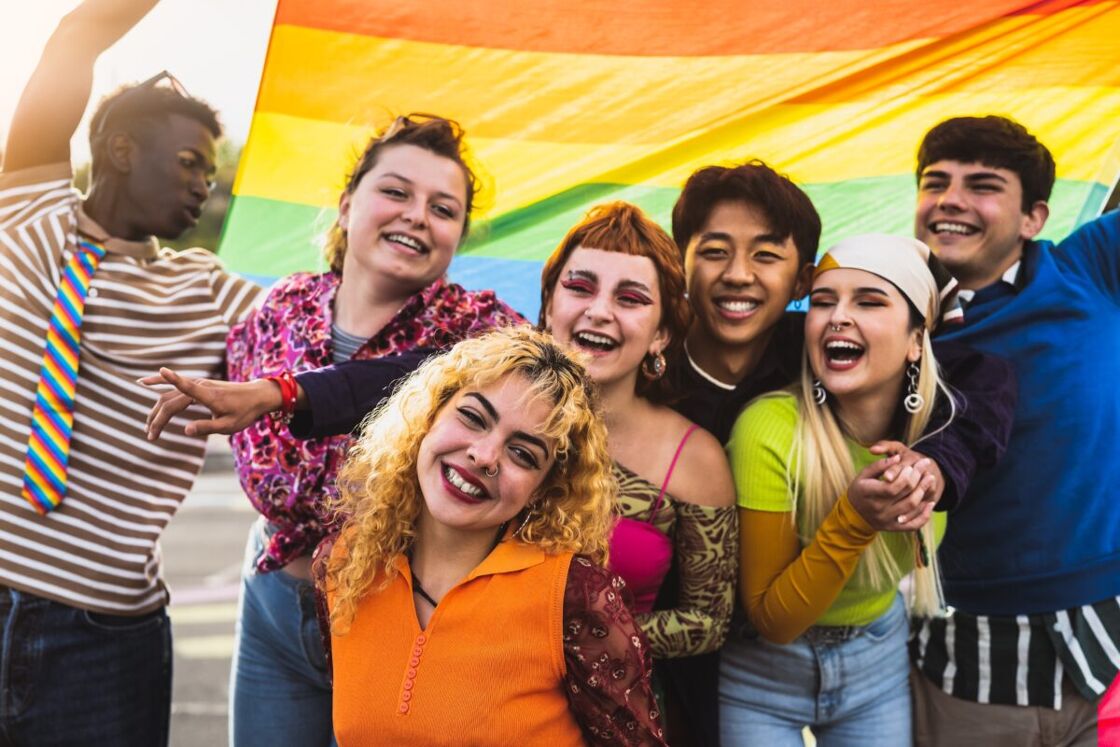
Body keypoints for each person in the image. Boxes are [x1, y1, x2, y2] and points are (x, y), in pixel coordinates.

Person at [0, 1, 263, 744]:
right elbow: (75, 37)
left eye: (211, 176)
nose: (203, 188)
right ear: (118, 149)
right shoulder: (26, 212)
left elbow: (330, 325)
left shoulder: (209, 288)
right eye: (189, 163)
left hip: (102, 641)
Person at [221, 115, 521, 746]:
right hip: (275, 597)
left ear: (457, 236)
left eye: (443, 208)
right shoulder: (278, 308)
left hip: (398, 614)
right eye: (396, 192)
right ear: (347, 203)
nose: (416, 215)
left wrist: (289, 393)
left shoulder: (480, 331)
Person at [319, 326, 666, 745]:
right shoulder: (345, 561)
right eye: (472, 418)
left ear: (544, 488)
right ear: (429, 414)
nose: (484, 456)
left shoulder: (574, 596)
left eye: (522, 453)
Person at [907, 115, 1120, 746]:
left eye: (983, 185)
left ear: (1034, 217)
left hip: (1107, 647)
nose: (950, 199)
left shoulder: (1092, 269)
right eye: (935, 182)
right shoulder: (881, 305)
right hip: (964, 660)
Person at [719, 234, 968, 745]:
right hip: (762, 677)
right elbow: (773, 619)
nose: (837, 317)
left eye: (869, 301)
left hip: (879, 665)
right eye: (823, 302)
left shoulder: (940, 437)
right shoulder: (766, 430)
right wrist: (854, 518)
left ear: (916, 338)